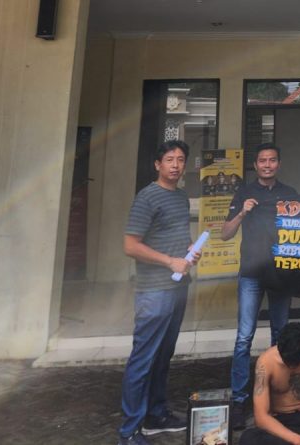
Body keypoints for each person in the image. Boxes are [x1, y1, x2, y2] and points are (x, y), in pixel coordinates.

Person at [222, 143, 300, 430]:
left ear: (278, 164)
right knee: (244, 337)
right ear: (255, 165)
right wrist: (242, 213)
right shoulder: (244, 193)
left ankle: (279, 395)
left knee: (280, 334)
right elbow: (225, 234)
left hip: (281, 274)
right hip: (251, 273)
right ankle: (239, 399)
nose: (267, 165)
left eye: (272, 160)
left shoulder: (289, 194)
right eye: (262, 160)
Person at [118, 140, 201, 445]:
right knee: (143, 359)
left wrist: (190, 250)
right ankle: (129, 431)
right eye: (169, 159)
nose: (175, 165)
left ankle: (155, 415)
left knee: (163, 356)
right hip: (154, 291)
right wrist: (169, 261)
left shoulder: (180, 197)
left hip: (178, 287)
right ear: (157, 164)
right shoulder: (147, 197)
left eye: (180, 159)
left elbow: (175, 234)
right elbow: (130, 246)